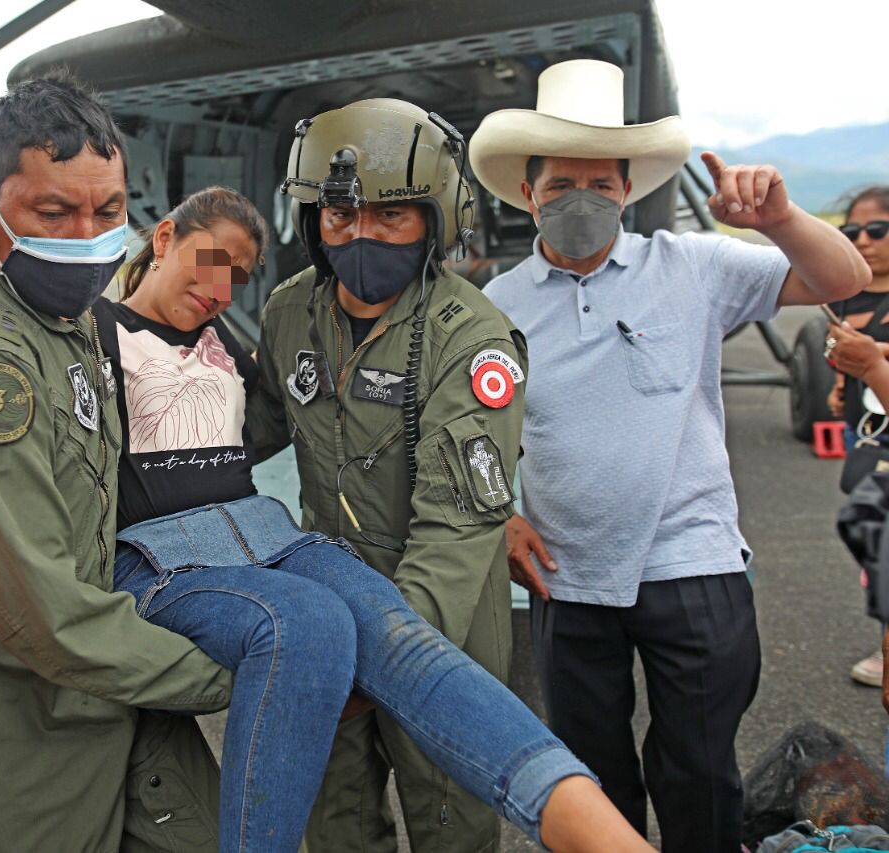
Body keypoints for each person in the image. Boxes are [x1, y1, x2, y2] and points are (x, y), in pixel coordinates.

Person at [96, 185, 652, 852]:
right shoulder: (91, 337)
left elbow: (264, 421)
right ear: (162, 239)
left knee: (400, 637)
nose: (219, 287)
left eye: (234, 276)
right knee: (309, 631)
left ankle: (593, 826)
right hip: (170, 556)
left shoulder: (220, 343)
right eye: (208, 261)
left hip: (267, 539)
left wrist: (493, 507)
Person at [468, 58, 871, 852]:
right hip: (567, 576)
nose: (581, 200)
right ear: (527, 193)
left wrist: (781, 219)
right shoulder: (493, 306)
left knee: (696, 767)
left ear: (628, 190)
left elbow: (848, 276)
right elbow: (466, 433)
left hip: (693, 563)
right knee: (590, 772)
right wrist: (499, 518)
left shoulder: (696, 268)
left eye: (601, 184)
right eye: (559, 186)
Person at [0, 74, 236, 853]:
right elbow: (44, 613)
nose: (84, 236)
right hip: (8, 725)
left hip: (104, 696)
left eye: (107, 212)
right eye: (52, 213)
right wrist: (245, 673)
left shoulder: (60, 320)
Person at [241, 97, 526, 852]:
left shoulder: (470, 337)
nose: (360, 235)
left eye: (390, 217)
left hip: (440, 631)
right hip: (326, 617)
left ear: (435, 220)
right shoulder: (287, 312)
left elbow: (454, 532)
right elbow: (241, 436)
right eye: (340, 217)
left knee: (449, 819)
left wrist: (379, 666)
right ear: (314, 220)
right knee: (332, 819)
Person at [824, 186, 889, 687]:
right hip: (868, 440)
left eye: (878, 230)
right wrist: (842, 387)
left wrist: (872, 367)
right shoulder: (845, 296)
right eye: (852, 232)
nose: (863, 241)